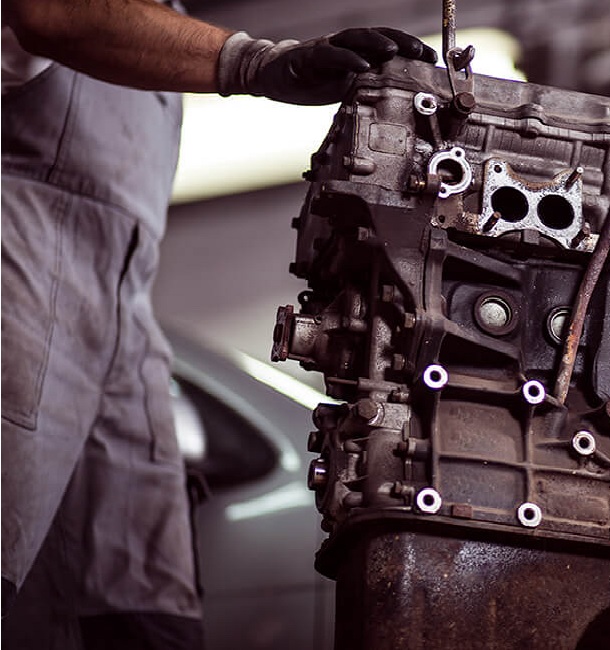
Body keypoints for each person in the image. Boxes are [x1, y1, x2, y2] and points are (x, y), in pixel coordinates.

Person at [1, 1, 436, 647]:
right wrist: (260, 62)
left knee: (147, 610)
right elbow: (50, 12)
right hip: (20, 267)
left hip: (121, 305)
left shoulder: (165, 14)